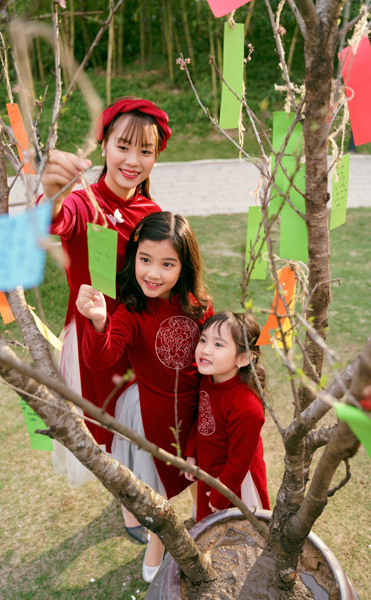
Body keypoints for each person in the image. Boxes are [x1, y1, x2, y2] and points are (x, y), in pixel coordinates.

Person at [40, 97, 171, 493]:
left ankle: (143, 490)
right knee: (111, 423)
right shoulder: (83, 200)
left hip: (137, 334)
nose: (133, 160)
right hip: (95, 337)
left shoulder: (151, 211)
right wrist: (52, 193)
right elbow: (57, 219)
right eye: (123, 146)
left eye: (144, 151)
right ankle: (130, 497)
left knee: (142, 419)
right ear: (104, 147)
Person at [76, 212, 213, 582]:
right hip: (151, 416)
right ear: (133, 257)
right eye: (145, 260)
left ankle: (206, 526)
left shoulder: (199, 307)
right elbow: (99, 358)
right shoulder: (130, 312)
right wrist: (99, 323)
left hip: (196, 410)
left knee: (203, 473)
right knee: (157, 488)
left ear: (184, 266)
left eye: (167, 264)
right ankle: (157, 541)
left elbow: (212, 363)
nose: (153, 273)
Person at [185, 311, 270, 522]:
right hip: (210, 468)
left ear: (244, 358)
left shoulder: (246, 407)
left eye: (218, 345)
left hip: (235, 483)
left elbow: (239, 462)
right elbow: (203, 418)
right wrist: (191, 452)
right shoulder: (209, 378)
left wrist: (222, 494)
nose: (205, 350)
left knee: (235, 531)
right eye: (203, 340)